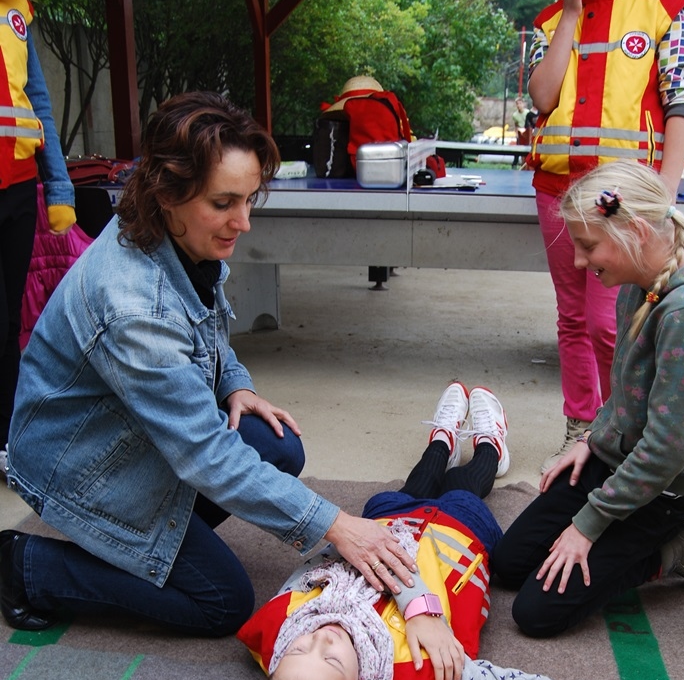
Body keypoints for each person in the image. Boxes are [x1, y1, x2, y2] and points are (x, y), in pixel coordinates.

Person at [0, 91, 416, 637]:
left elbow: (207, 331)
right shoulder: (134, 307)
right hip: (77, 466)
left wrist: (234, 384)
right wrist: (336, 525)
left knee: (278, 447)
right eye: (223, 203)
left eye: (248, 200)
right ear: (166, 193)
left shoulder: (177, 237)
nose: (242, 222)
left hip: (123, 432)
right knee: (222, 601)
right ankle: (26, 565)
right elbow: (202, 453)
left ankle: (152, 539)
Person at [238, 383, 568, 680]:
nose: (321, 638)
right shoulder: (428, 678)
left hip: (381, 520)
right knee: (464, 489)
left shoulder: (280, 630)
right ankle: (490, 446)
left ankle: (442, 440)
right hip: (458, 529)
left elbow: (319, 560)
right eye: (331, 660)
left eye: (297, 651)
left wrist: (408, 597)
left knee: (414, 483)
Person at [492, 161, 684, 638]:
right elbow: (626, 389)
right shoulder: (637, 285)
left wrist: (588, 525)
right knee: (507, 563)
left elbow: (666, 452)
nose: (580, 262)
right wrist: (592, 439)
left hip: (664, 490)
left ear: (636, 232)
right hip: (617, 458)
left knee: (535, 614)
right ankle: (622, 533)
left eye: (588, 246)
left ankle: (671, 550)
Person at [527, 0, 684, 473]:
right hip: (557, 189)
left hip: (619, 198)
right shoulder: (551, 18)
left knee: (614, 320)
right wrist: (571, 12)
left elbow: (681, 103)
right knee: (573, 318)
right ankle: (580, 427)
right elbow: (543, 97)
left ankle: (623, 430)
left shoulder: (664, 10)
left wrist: (664, 193)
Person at [1, 0, 76, 475]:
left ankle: (8, 440)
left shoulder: (15, 7)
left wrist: (59, 188)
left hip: (17, 189)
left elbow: (39, 105)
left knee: (10, 326)